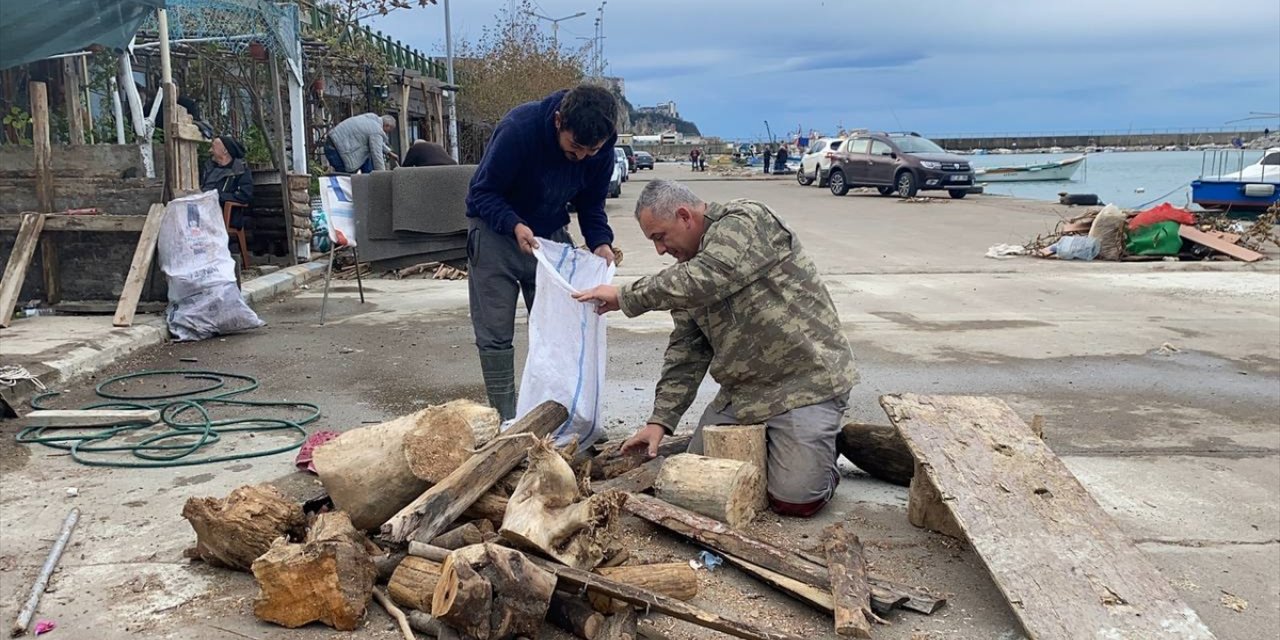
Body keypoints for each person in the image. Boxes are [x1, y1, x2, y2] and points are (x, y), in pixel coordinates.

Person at [572, 180, 857, 517]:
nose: (660, 250)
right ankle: (789, 447)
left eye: (659, 237)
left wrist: (624, 296)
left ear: (684, 216)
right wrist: (659, 421)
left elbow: (710, 276)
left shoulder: (746, 221)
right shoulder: (685, 276)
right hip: (744, 395)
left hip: (804, 386)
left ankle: (823, 454)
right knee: (693, 480)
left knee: (795, 500)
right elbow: (686, 352)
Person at [465, 84, 619, 420]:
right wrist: (513, 224)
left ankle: (554, 416)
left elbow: (591, 205)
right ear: (558, 121)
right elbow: (482, 193)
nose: (581, 158)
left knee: (560, 327)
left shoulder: (600, 150)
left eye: (591, 152)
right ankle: (504, 420)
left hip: (549, 237)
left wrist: (600, 243)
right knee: (495, 333)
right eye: (575, 148)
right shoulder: (519, 129)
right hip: (497, 232)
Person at [200, 135, 253, 227]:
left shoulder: (240, 170)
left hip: (223, 212)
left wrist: (217, 196)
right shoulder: (208, 167)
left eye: (213, 147)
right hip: (202, 208)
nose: (210, 151)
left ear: (225, 151)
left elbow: (245, 195)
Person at [324, 113, 396, 174]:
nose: (386, 134)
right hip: (338, 150)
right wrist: (382, 176)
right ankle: (371, 185)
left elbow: (377, 141)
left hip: (331, 142)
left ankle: (368, 181)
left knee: (365, 160)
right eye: (388, 131)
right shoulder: (377, 130)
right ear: (387, 125)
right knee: (346, 179)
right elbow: (377, 154)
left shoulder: (370, 119)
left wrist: (388, 152)